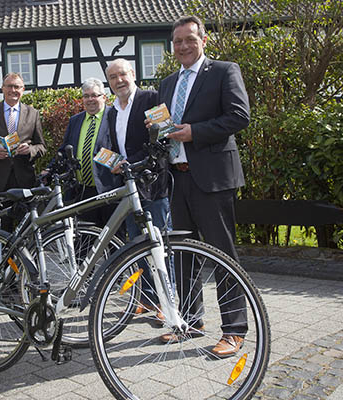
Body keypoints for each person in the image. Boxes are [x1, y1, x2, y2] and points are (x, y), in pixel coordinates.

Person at [154, 15, 250, 357]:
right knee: (183, 255)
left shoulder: (224, 71)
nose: (182, 46)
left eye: (189, 39)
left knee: (223, 254)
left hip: (213, 178)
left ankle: (235, 329)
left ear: (203, 40)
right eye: (177, 41)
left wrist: (195, 131)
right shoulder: (166, 84)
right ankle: (191, 320)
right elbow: (163, 127)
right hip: (177, 178)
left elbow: (239, 116)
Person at [105, 58, 171, 322]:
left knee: (161, 246)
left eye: (122, 74)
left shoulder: (152, 98)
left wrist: (128, 162)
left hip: (153, 184)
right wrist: (112, 162)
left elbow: (165, 136)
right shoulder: (111, 111)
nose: (119, 80)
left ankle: (167, 303)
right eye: (113, 77)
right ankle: (145, 299)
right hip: (129, 188)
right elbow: (115, 146)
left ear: (133, 74)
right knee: (136, 247)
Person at [44, 77, 119, 227]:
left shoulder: (115, 117)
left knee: (113, 238)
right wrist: (49, 170)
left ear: (104, 97)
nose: (90, 99)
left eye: (94, 95)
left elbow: (123, 147)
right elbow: (64, 151)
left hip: (108, 188)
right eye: (86, 96)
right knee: (85, 239)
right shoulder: (75, 121)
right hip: (82, 191)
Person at [0, 73, 46, 230]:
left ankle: (24, 255)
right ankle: (4, 255)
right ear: (3, 89)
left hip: (24, 179)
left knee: (27, 228)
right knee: (2, 228)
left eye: (17, 87)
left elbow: (42, 146)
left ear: (23, 89)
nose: (13, 90)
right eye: (9, 86)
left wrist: (30, 150)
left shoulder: (33, 113)